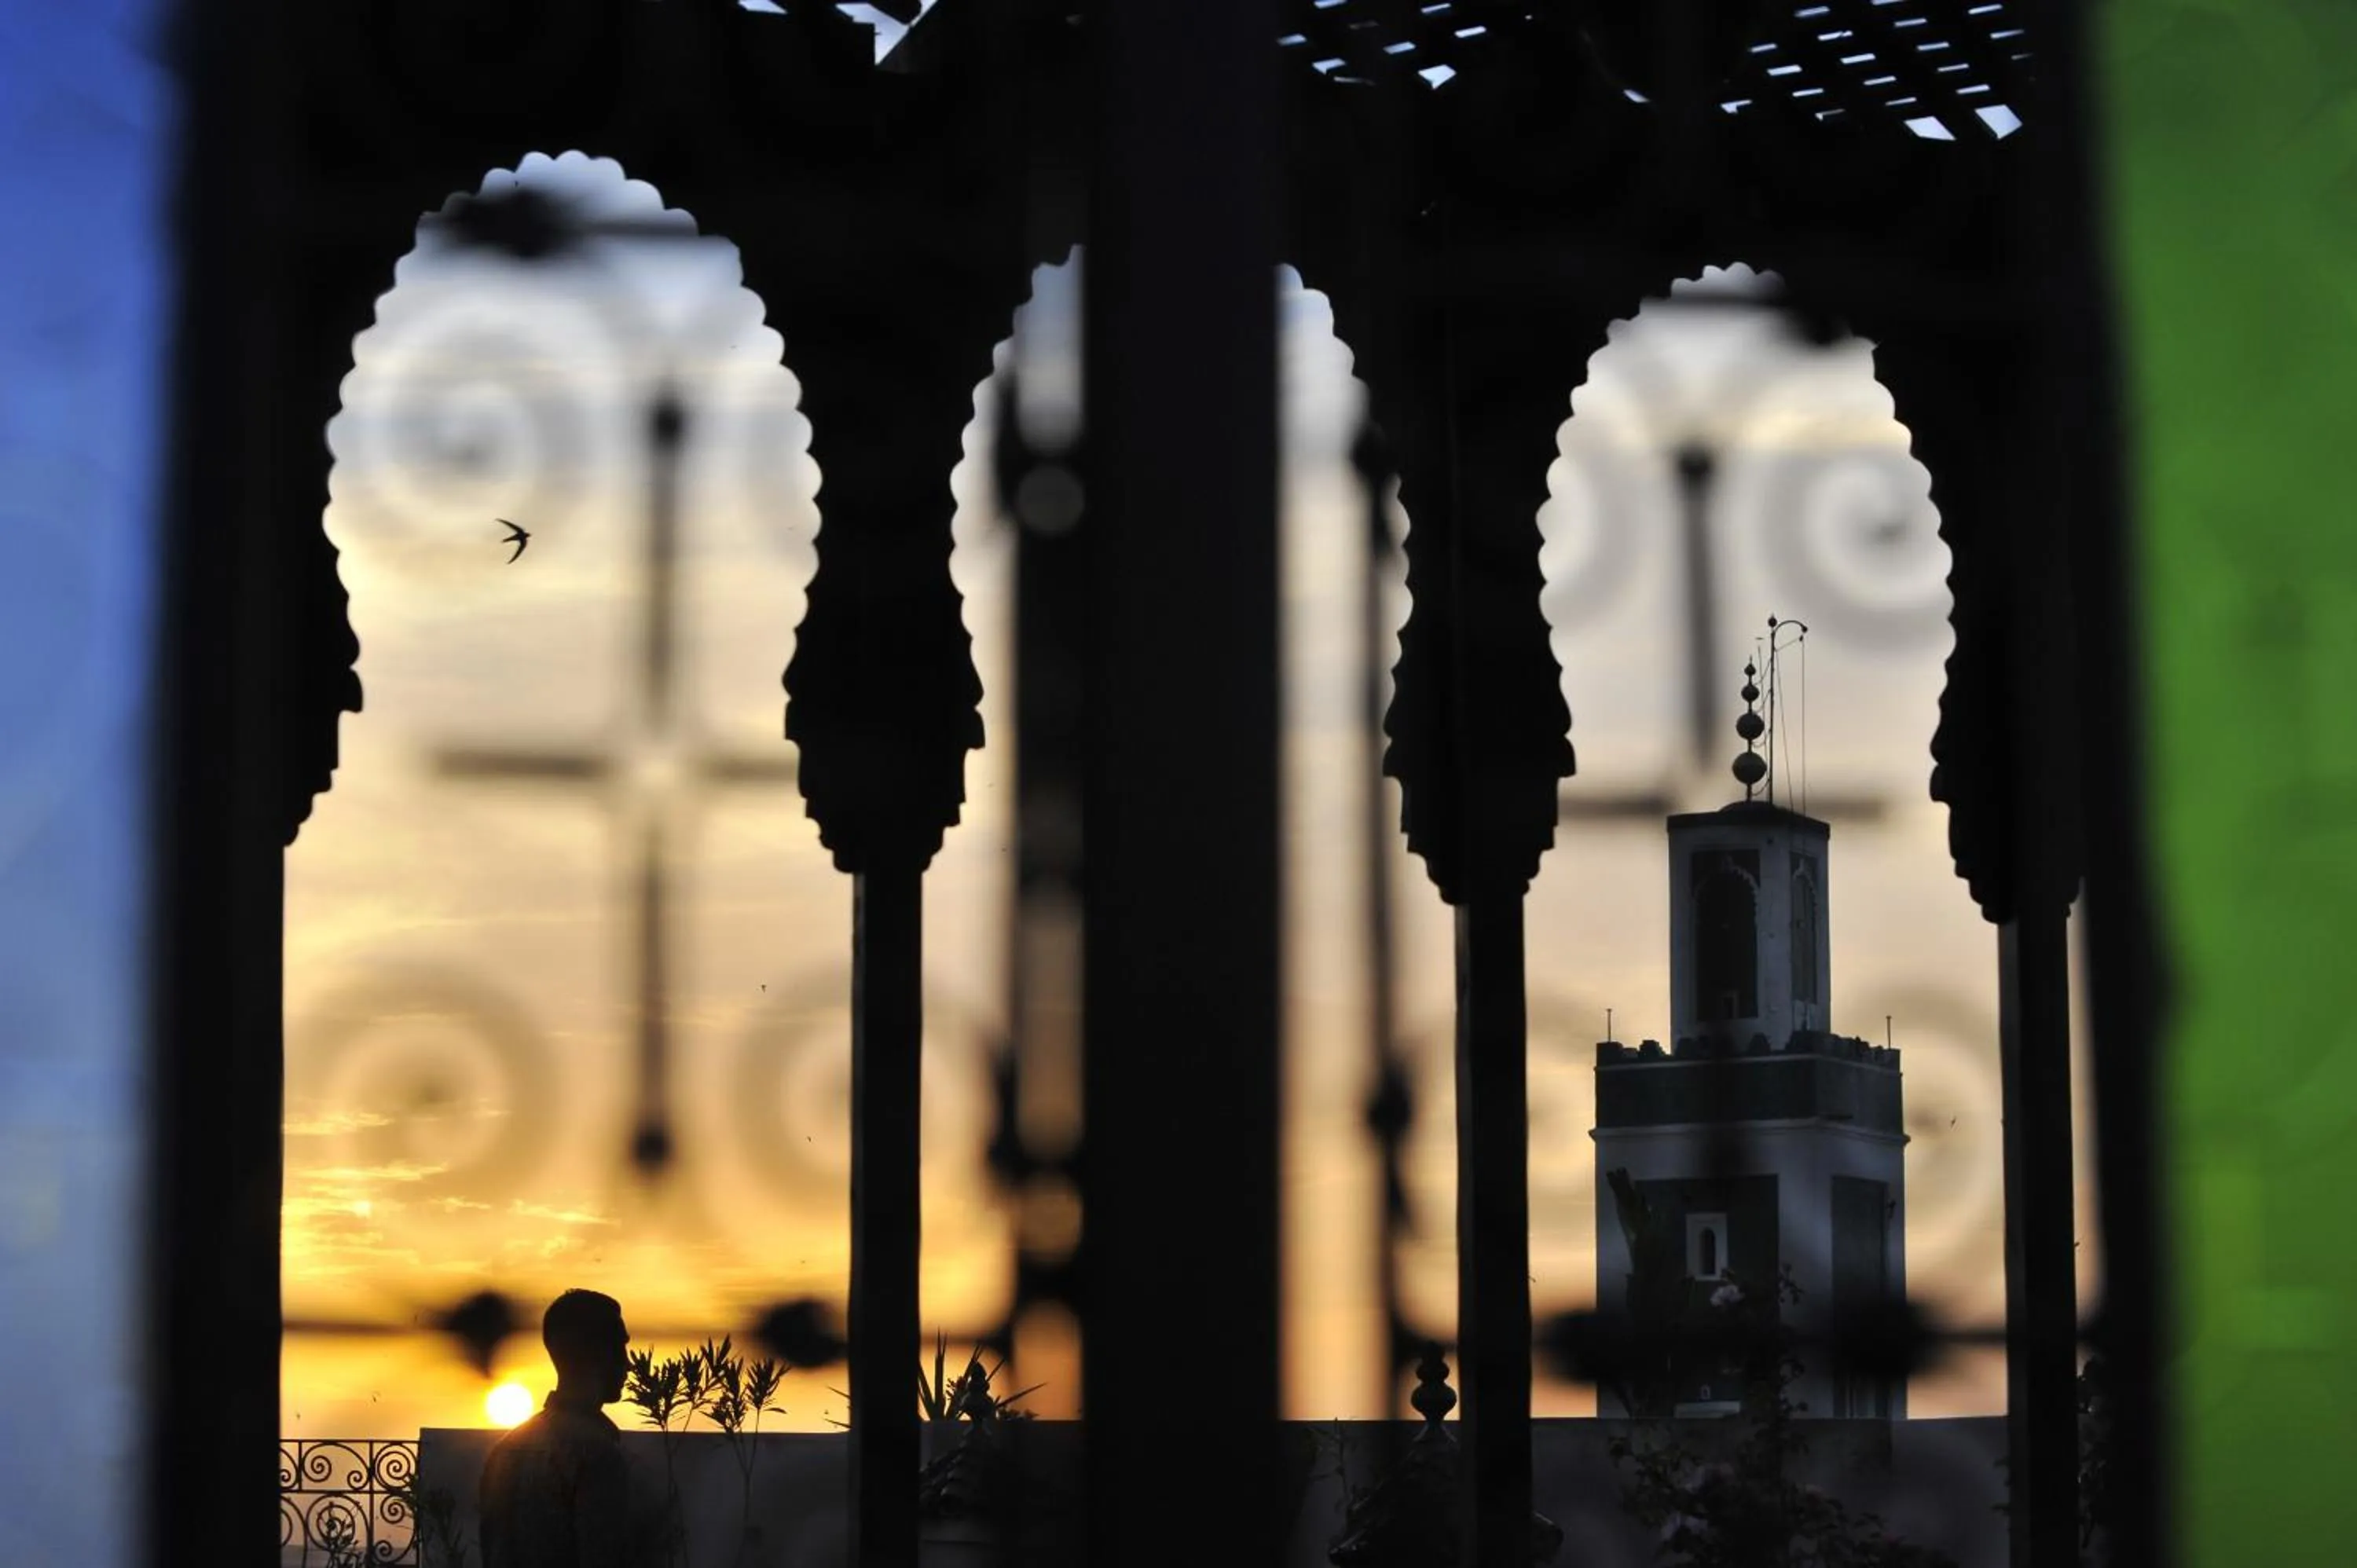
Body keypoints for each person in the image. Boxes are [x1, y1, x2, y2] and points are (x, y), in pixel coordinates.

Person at [479, 1289, 634, 1568]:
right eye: (619, 1346)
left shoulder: (505, 1450)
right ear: (594, 1353)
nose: (628, 1363)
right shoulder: (597, 1455)